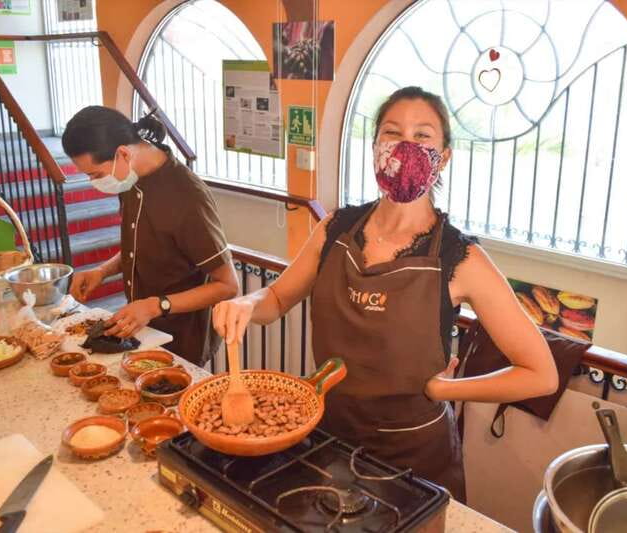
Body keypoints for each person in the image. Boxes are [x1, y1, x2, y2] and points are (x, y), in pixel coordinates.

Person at [212, 87, 557, 501]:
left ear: (444, 157)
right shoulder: (335, 228)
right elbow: (278, 300)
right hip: (327, 439)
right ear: (375, 147)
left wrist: (445, 391)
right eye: (392, 133)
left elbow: (540, 374)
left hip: (414, 459)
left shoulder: (461, 257)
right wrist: (247, 303)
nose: (405, 146)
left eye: (422, 136)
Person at [62, 106, 238, 365]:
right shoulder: (130, 179)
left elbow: (228, 285)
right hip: (140, 331)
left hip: (181, 339)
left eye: (96, 175)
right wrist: (102, 271)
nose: (94, 183)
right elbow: (144, 245)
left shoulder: (187, 197)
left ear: (123, 153)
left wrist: (155, 306)